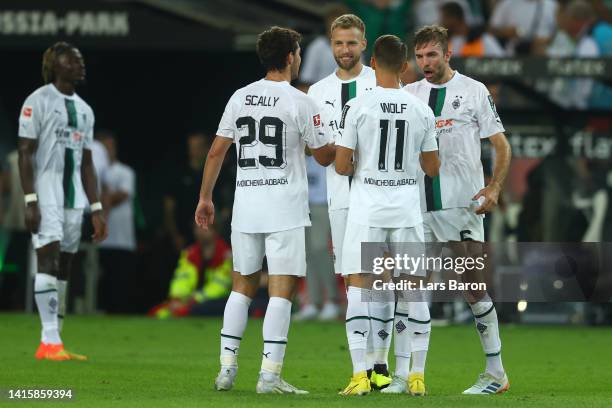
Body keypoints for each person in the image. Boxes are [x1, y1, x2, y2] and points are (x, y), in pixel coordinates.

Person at [194, 26, 335, 394]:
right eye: (299, 52)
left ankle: (226, 368)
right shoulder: (301, 101)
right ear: (290, 57)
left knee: (241, 287)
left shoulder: (240, 96)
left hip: (246, 205)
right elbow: (325, 156)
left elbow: (215, 152)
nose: (300, 57)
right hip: (284, 207)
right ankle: (269, 376)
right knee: (280, 291)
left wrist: (205, 198)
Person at [404, 25, 512, 394]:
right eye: (419, 57)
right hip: (418, 208)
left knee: (472, 289)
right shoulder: (409, 94)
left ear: (448, 54)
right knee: (412, 289)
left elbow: (500, 144)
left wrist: (494, 187)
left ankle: (497, 374)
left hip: (461, 208)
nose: (425, 63)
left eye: (432, 55)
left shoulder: (473, 91)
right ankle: (410, 376)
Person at [335, 34, 440, 396]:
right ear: (406, 66)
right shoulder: (421, 110)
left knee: (359, 289)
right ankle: (416, 376)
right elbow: (432, 168)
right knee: (413, 291)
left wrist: (363, 162)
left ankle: (360, 375)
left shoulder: (359, 106)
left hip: (367, 209)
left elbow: (340, 164)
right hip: (407, 210)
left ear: (374, 63)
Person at [307, 14, 392, 389]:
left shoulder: (382, 84)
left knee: (382, 281)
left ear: (365, 44)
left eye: (352, 43)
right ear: (331, 44)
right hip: (341, 198)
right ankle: (364, 371)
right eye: (339, 43)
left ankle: (380, 367)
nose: (345, 50)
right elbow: (321, 154)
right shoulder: (316, 92)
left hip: (381, 197)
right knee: (355, 281)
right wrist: (340, 151)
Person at [18, 42, 107, 360]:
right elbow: (25, 153)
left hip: (74, 198)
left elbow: (86, 163)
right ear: (56, 66)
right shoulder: (37, 101)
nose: (80, 65)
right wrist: (30, 200)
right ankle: (48, 340)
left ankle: (55, 341)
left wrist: (96, 208)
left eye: (81, 60)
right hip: (46, 192)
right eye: (73, 61)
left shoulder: (85, 110)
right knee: (48, 259)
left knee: (66, 265)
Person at [149, 222, 232, 318]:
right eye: (197, 227)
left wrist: (194, 299)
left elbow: (219, 287)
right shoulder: (189, 255)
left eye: (204, 227)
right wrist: (177, 299)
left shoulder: (226, 256)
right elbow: (182, 279)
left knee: (198, 309)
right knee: (159, 313)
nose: (199, 231)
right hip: (190, 302)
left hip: (216, 302)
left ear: (215, 231)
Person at [97, 131, 137, 313]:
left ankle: (120, 313)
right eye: (104, 147)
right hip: (99, 239)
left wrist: (98, 198)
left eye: (111, 146)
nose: (108, 150)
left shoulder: (125, 172)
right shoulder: (92, 172)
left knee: (120, 281)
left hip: (121, 239)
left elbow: (120, 196)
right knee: (99, 280)